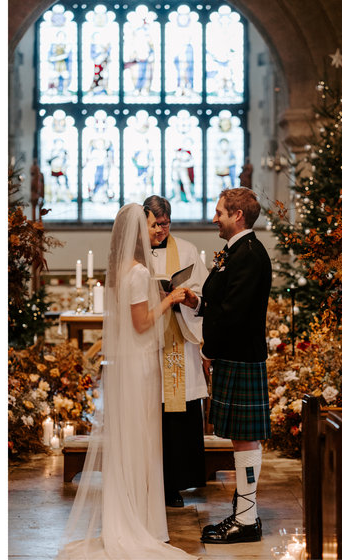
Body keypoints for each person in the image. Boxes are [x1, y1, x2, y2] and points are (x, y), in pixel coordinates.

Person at [57, 204, 195, 560]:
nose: (155, 233)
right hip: (139, 367)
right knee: (141, 441)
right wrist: (170, 298)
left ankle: (137, 516)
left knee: (135, 440)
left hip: (132, 364)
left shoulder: (121, 270)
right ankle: (139, 522)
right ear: (136, 232)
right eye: (149, 228)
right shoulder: (135, 273)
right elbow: (141, 323)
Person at [178, 187, 272, 544]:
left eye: (219, 212)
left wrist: (208, 350)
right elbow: (221, 302)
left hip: (240, 354)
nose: (214, 217)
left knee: (245, 439)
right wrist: (197, 301)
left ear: (238, 216)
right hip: (234, 354)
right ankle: (244, 515)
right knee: (240, 438)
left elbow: (233, 314)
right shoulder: (236, 252)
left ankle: (247, 521)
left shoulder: (249, 254)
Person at [143, 195, 209, 509]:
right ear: (144, 223)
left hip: (178, 340)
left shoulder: (186, 250)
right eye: (156, 225)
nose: (161, 230)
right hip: (146, 342)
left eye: (165, 223)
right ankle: (147, 480)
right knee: (150, 413)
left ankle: (175, 483)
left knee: (178, 415)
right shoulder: (136, 253)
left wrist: (188, 298)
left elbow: (203, 295)